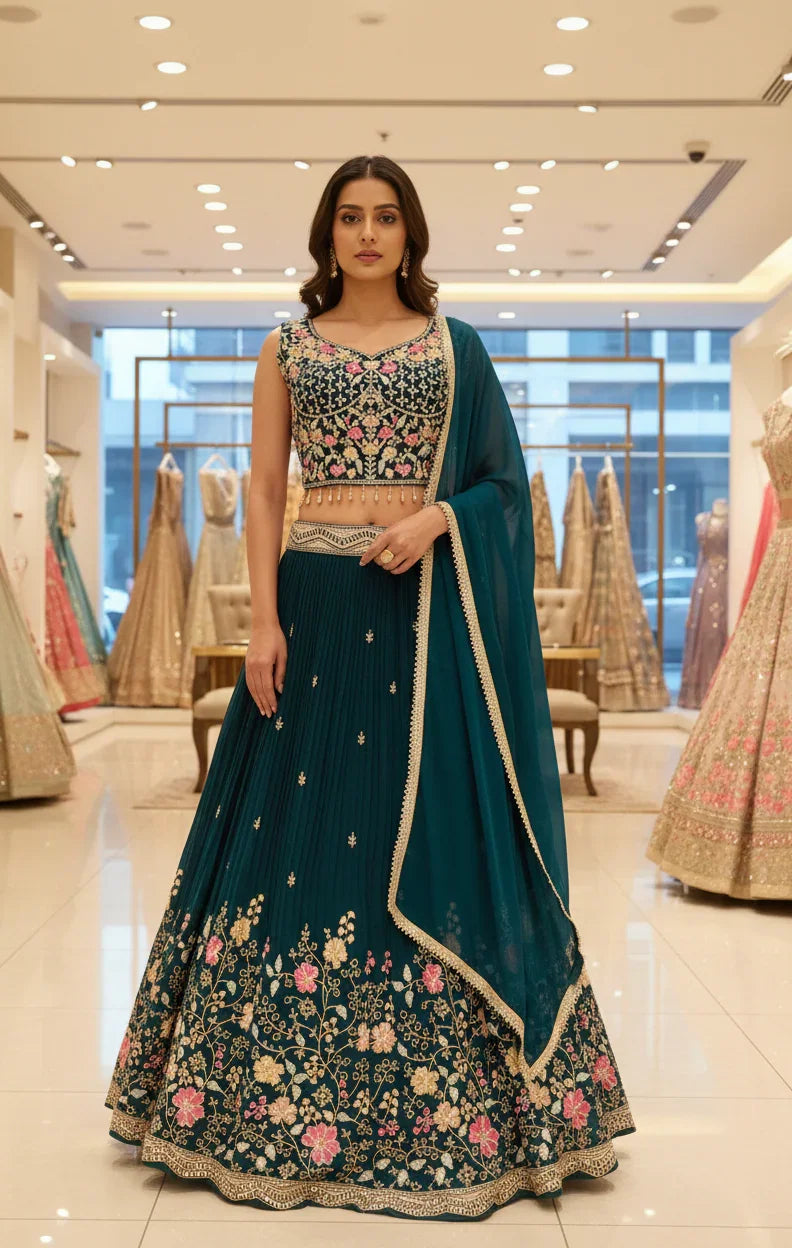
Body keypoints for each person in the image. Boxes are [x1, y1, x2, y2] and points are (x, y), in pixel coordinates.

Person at [106, 154, 634, 1219]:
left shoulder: (457, 348)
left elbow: (496, 483)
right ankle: (255, 1093)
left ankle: (458, 1094)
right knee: (295, 829)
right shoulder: (287, 347)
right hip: (316, 599)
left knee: (429, 820)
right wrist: (262, 617)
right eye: (348, 216)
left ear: (410, 233)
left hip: (421, 611)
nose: (366, 234)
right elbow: (264, 487)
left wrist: (439, 519)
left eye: (385, 216)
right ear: (325, 233)